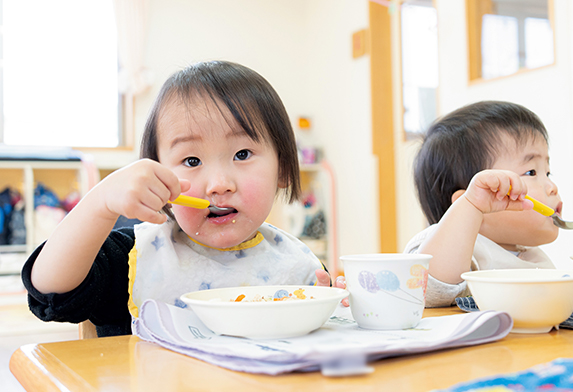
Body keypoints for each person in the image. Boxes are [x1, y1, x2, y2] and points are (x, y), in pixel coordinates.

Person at [22, 61, 340, 337]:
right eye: (191, 161)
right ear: (159, 178)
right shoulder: (136, 256)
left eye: (242, 154)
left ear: (283, 169)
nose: (218, 185)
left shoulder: (298, 267)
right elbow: (49, 290)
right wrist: (100, 202)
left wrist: (333, 313)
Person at [404, 100, 562, 307]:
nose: (552, 186)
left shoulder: (531, 255)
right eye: (531, 172)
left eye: (547, 172)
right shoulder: (457, 248)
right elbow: (428, 288)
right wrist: (470, 208)